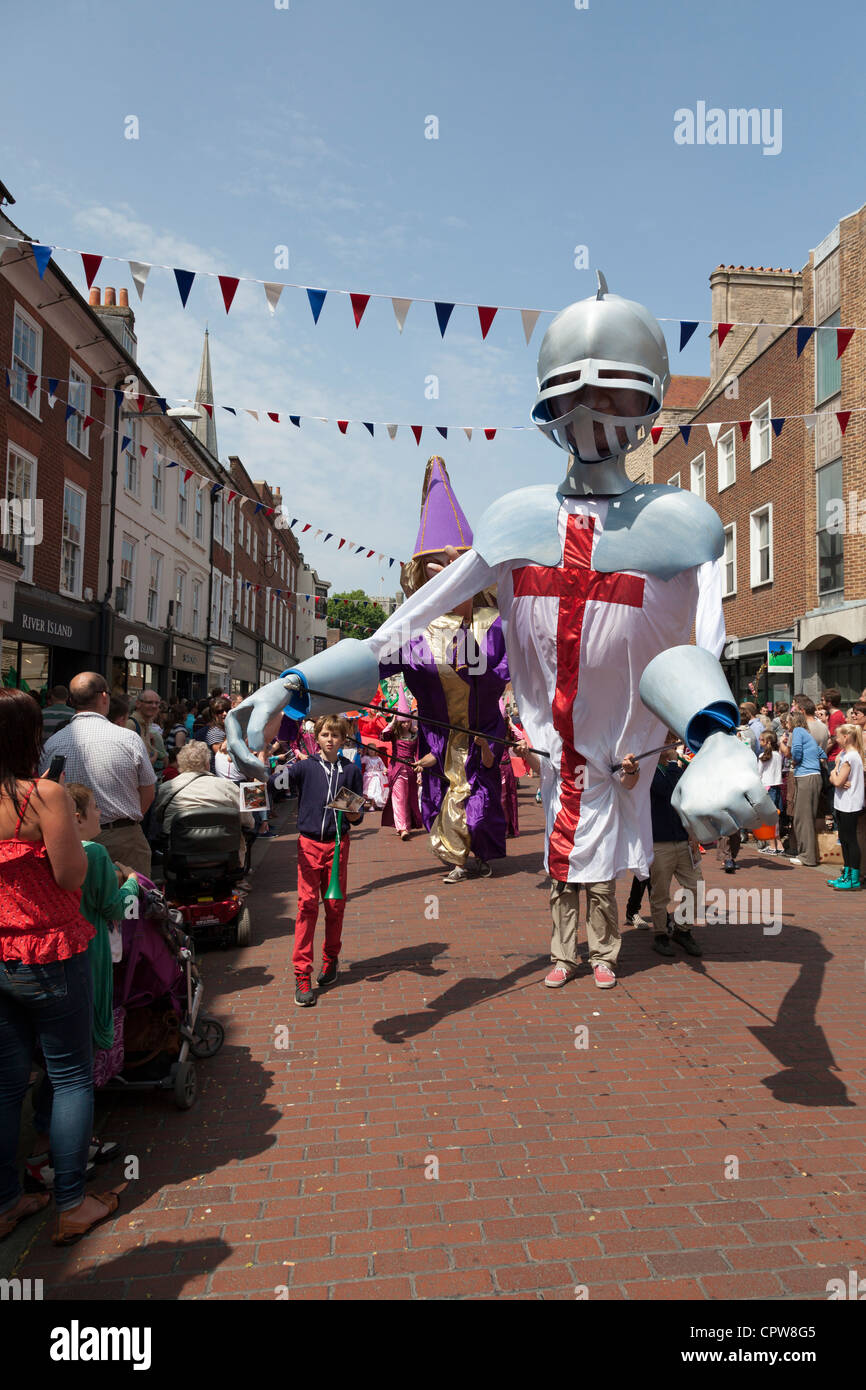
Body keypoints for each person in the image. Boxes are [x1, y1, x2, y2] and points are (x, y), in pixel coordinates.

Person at [227, 275, 775, 992]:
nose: (589, 413)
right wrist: (293, 684)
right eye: (572, 395)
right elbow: (405, 627)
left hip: (631, 751)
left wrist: (716, 737)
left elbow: (703, 639)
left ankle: (600, 953)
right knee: (565, 858)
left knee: (604, 861)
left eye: (611, 393)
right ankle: (567, 952)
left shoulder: (681, 525)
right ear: (547, 402)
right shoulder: (516, 521)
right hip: (555, 752)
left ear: (647, 402)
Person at [0, 689, 124, 1246]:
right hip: (51, 953)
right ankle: (72, 1203)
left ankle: (7, 1201)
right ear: (29, 737)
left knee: (5, 1086)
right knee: (71, 1077)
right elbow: (73, 876)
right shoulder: (42, 795)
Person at [380, 457, 510, 882]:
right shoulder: (412, 629)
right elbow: (368, 663)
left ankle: (480, 855)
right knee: (443, 798)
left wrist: (470, 612)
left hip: (482, 735)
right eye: (437, 564)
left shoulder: (497, 623)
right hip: (437, 738)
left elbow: (492, 671)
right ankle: (456, 860)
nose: (447, 571)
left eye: (459, 565)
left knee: (481, 801)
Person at [25, 783, 139, 1192]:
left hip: (32, 963)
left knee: (51, 1064)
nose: (99, 815)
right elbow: (113, 906)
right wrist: (132, 884)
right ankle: (63, 1166)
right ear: (76, 816)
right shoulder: (93, 852)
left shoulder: (39, 852)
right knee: (73, 1067)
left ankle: (56, 1147)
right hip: (84, 956)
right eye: (94, 808)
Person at [283, 715, 366, 1007]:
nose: (330, 739)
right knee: (307, 907)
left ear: (344, 739)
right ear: (317, 737)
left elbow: (357, 815)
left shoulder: (351, 770)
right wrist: (262, 765)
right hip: (308, 844)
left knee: (334, 906)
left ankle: (331, 958)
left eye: (336, 735)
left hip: (338, 844)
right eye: (326, 734)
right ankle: (301, 973)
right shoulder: (304, 768)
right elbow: (276, 786)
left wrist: (354, 812)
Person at [42, 673, 156, 876]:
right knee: (132, 902)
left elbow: (46, 793)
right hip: (124, 838)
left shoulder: (53, 743)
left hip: (72, 840)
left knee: (80, 905)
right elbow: (148, 792)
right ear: (104, 697)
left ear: (71, 700)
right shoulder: (128, 738)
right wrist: (126, 823)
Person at [154, 740, 254, 867]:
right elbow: (249, 822)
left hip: (182, 856)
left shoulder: (166, 788)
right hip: (224, 854)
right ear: (207, 763)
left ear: (180, 763)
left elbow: (159, 818)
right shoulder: (227, 786)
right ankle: (240, 880)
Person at [647, 735, 703, 958]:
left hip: (681, 839)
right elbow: (668, 789)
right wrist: (672, 762)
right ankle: (660, 934)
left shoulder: (675, 769)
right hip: (659, 842)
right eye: (667, 742)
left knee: (695, 886)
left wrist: (692, 833)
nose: (671, 745)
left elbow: (685, 793)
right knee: (660, 893)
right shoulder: (650, 771)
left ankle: (683, 928)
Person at [780, 711, 823, 867]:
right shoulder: (806, 733)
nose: (786, 724)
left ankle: (807, 857)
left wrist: (796, 762)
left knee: (802, 819)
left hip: (806, 776)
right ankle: (809, 854)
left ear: (793, 721)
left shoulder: (798, 731)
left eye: (788, 721)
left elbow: (796, 752)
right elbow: (821, 752)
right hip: (812, 776)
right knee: (806, 818)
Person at [827, 724, 865, 890]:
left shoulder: (851, 756)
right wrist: (836, 774)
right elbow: (836, 781)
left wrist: (834, 771)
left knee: (850, 840)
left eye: (838, 736)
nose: (836, 739)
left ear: (846, 737)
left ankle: (854, 877)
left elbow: (836, 780)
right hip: (843, 802)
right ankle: (847, 874)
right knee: (844, 839)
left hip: (850, 803)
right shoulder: (844, 755)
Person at [380, 691, 423, 841]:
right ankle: (402, 827)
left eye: (408, 721)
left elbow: (418, 755)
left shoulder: (416, 735)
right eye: (403, 721)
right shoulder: (394, 734)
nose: (406, 724)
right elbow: (383, 735)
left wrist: (419, 773)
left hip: (411, 770)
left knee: (409, 798)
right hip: (397, 769)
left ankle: (407, 825)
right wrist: (392, 721)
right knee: (398, 798)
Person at [757, 730, 784, 855]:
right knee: (775, 817)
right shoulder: (778, 755)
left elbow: (758, 774)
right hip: (776, 787)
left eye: (761, 739)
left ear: (767, 741)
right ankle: (779, 844)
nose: (759, 741)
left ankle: (772, 845)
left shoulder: (763, 756)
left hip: (766, 788)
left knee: (768, 818)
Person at [361, 745, 388, 810]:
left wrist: (385, 769)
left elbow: (382, 766)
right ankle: (365, 804)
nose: (371, 751)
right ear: (367, 751)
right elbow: (360, 761)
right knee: (367, 791)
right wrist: (362, 754)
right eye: (369, 749)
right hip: (368, 776)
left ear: (376, 750)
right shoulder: (366, 758)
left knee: (376, 790)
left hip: (376, 776)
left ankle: (373, 805)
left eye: (373, 749)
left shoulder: (378, 758)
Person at [822, 688, 846, 762]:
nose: (821, 702)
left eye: (822, 700)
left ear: (829, 703)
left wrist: (822, 754)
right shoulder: (835, 715)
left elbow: (833, 740)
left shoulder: (835, 716)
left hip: (834, 756)